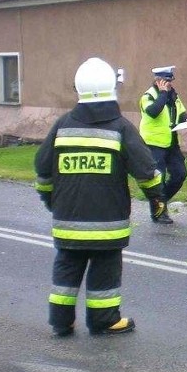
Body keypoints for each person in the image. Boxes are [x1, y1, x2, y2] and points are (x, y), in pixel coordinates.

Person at [35, 57, 166, 337]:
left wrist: (51, 201)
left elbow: (43, 171)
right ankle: (104, 320)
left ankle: (61, 321)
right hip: (107, 225)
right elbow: (145, 170)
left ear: (79, 89)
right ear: (112, 89)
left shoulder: (62, 126)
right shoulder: (120, 127)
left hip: (68, 222)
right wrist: (157, 198)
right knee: (105, 270)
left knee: (66, 270)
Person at [139, 65, 187, 224]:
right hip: (154, 143)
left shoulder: (174, 94)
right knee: (157, 180)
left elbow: (180, 112)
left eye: (170, 80)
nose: (169, 83)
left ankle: (160, 202)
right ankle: (159, 212)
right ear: (157, 80)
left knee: (180, 174)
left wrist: (186, 119)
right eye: (165, 81)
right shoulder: (148, 96)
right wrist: (162, 93)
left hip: (172, 143)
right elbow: (153, 112)